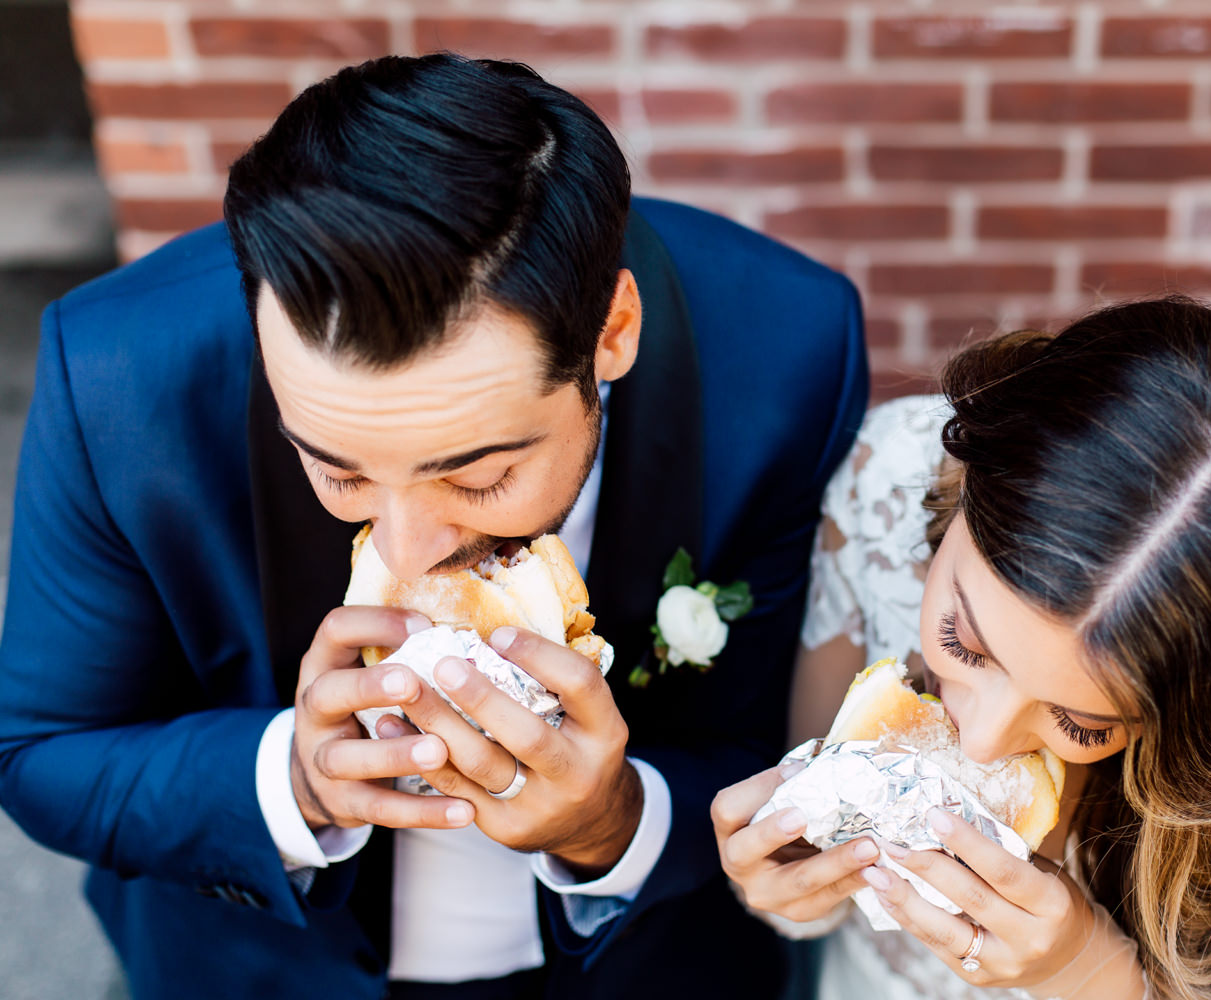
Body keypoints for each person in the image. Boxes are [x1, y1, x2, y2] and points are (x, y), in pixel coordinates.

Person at [0, 55, 867, 999]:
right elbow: (42, 752)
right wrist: (295, 782)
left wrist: (615, 823)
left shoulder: (786, 349)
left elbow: (790, 748)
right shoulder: (119, 376)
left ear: (613, 332)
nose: (406, 548)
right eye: (339, 472)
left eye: (481, 477)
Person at [713, 297, 1211, 1000]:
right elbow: (815, 894)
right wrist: (791, 887)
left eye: (1081, 722)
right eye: (961, 640)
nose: (980, 740)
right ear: (968, 484)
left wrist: (1084, 971)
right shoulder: (886, 482)